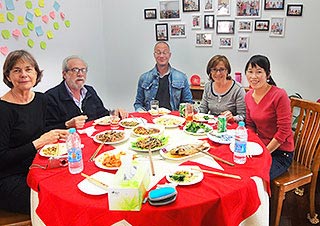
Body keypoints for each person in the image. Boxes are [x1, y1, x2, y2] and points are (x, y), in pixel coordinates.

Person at [0, 50, 69, 214]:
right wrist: (38, 143)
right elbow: (2, 157)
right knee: (56, 200)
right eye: (17, 70)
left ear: (36, 73)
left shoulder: (41, 99)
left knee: (71, 183)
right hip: (9, 177)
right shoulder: (3, 109)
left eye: (28, 69)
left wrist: (64, 126)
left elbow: (40, 129)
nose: (23, 74)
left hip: (36, 166)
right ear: (8, 76)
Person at [244, 54, 294, 180]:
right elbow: (250, 125)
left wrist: (265, 153)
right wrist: (251, 147)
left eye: (259, 72)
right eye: (250, 72)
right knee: (237, 168)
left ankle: (262, 200)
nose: (253, 76)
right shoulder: (248, 96)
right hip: (260, 148)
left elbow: (284, 131)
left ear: (268, 74)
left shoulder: (279, 95)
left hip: (280, 153)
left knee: (254, 178)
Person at [45, 55, 127, 130]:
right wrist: (67, 125)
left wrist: (114, 113)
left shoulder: (90, 91)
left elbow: (102, 115)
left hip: (95, 138)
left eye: (83, 70)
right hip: (69, 142)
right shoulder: (51, 97)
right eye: (75, 70)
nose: (80, 74)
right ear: (64, 74)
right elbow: (47, 129)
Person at [134, 41, 193, 111]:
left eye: (165, 52)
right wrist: (141, 111)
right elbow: (138, 103)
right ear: (154, 55)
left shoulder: (181, 77)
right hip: (151, 118)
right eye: (158, 53)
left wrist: (187, 108)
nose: (161, 56)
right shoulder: (144, 78)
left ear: (169, 55)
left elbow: (188, 102)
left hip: (174, 119)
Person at [198, 55, 246, 122]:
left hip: (230, 127)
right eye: (214, 69)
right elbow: (203, 109)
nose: (218, 73)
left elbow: (243, 116)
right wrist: (193, 110)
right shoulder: (208, 86)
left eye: (222, 69)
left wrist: (233, 118)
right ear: (210, 72)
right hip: (211, 127)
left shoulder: (238, 89)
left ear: (227, 71)